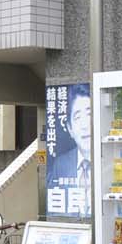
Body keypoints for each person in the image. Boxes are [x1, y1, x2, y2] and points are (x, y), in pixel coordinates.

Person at [47, 86, 93, 216]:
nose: (85, 125)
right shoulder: (60, 165)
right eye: (77, 117)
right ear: (70, 129)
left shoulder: (109, 161)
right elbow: (54, 213)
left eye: (89, 114)